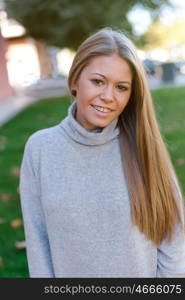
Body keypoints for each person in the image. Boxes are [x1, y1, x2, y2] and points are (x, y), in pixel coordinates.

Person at [19, 27, 185, 278]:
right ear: (75, 80)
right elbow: (38, 245)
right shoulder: (40, 149)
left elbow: (174, 249)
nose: (108, 96)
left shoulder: (145, 149)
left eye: (121, 87)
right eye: (98, 81)